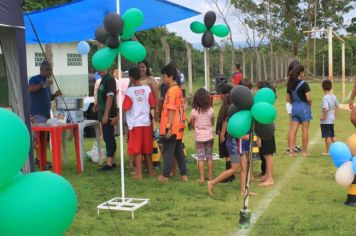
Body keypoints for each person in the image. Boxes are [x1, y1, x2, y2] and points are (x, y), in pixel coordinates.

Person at [123, 67, 156, 179]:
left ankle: (139, 174)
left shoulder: (129, 91)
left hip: (135, 124)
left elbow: (125, 107)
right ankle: (151, 172)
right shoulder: (147, 89)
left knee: (137, 150)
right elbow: (152, 104)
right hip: (146, 123)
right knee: (147, 149)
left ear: (131, 78)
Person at [157, 64, 187, 183]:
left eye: (164, 76)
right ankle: (184, 174)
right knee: (178, 151)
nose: (162, 79)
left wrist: (168, 127)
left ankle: (165, 176)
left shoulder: (172, 91)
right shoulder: (178, 88)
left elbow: (171, 109)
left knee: (168, 151)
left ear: (171, 76)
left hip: (172, 126)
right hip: (178, 124)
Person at [287, 64, 312, 157]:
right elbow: (309, 98)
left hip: (294, 108)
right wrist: (309, 105)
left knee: (293, 130)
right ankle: (305, 152)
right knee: (305, 129)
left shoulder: (290, 84)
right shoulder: (304, 84)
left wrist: (295, 103)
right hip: (304, 108)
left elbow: (288, 99)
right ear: (301, 73)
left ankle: (291, 152)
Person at [190, 88, 214, 183]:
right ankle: (210, 177)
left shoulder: (193, 111)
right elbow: (212, 123)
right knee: (209, 156)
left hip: (199, 137)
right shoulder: (211, 110)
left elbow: (192, 125)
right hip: (209, 136)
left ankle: (201, 178)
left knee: (200, 157)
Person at [256, 81, 276, 187]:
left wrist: (258, 137)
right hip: (266, 131)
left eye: (257, 89)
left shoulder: (262, 105)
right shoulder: (265, 104)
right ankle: (267, 175)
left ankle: (270, 178)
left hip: (265, 132)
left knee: (268, 155)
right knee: (265, 154)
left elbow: (261, 120)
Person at [97, 69, 118, 171]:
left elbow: (110, 97)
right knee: (109, 137)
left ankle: (109, 163)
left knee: (108, 137)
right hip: (104, 112)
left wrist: (106, 115)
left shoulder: (109, 79)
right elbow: (103, 96)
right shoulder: (104, 79)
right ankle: (112, 161)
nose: (99, 70)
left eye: (102, 68)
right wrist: (97, 105)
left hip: (108, 114)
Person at [216, 84, 234, 182]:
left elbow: (225, 122)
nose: (220, 96)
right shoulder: (232, 105)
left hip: (226, 134)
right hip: (230, 133)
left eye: (221, 94)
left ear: (226, 95)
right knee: (231, 155)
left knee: (228, 155)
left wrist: (222, 134)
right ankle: (232, 173)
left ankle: (229, 176)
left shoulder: (226, 107)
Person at [286, 60, 302, 154]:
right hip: (291, 105)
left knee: (294, 127)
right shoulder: (290, 80)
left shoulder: (293, 79)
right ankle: (290, 146)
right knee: (292, 127)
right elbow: (289, 97)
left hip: (294, 104)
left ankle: (293, 145)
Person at [320, 80, 339, 155]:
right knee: (332, 135)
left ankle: (328, 151)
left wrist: (323, 116)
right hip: (331, 119)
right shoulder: (334, 96)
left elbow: (326, 108)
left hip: (326, 120)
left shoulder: (325, 98)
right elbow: (337, 106)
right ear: (331, 88)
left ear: (323, 88)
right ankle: (338, 149)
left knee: (327, 136)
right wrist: (334, 115)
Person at [112, 69, 130, 136]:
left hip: (120, 101)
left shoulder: (117, 81)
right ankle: (126, 131)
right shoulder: (127, 80)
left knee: (119, 118)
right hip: (127, 102)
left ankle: (118, 131)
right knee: (126, 118)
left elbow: (115, 91)